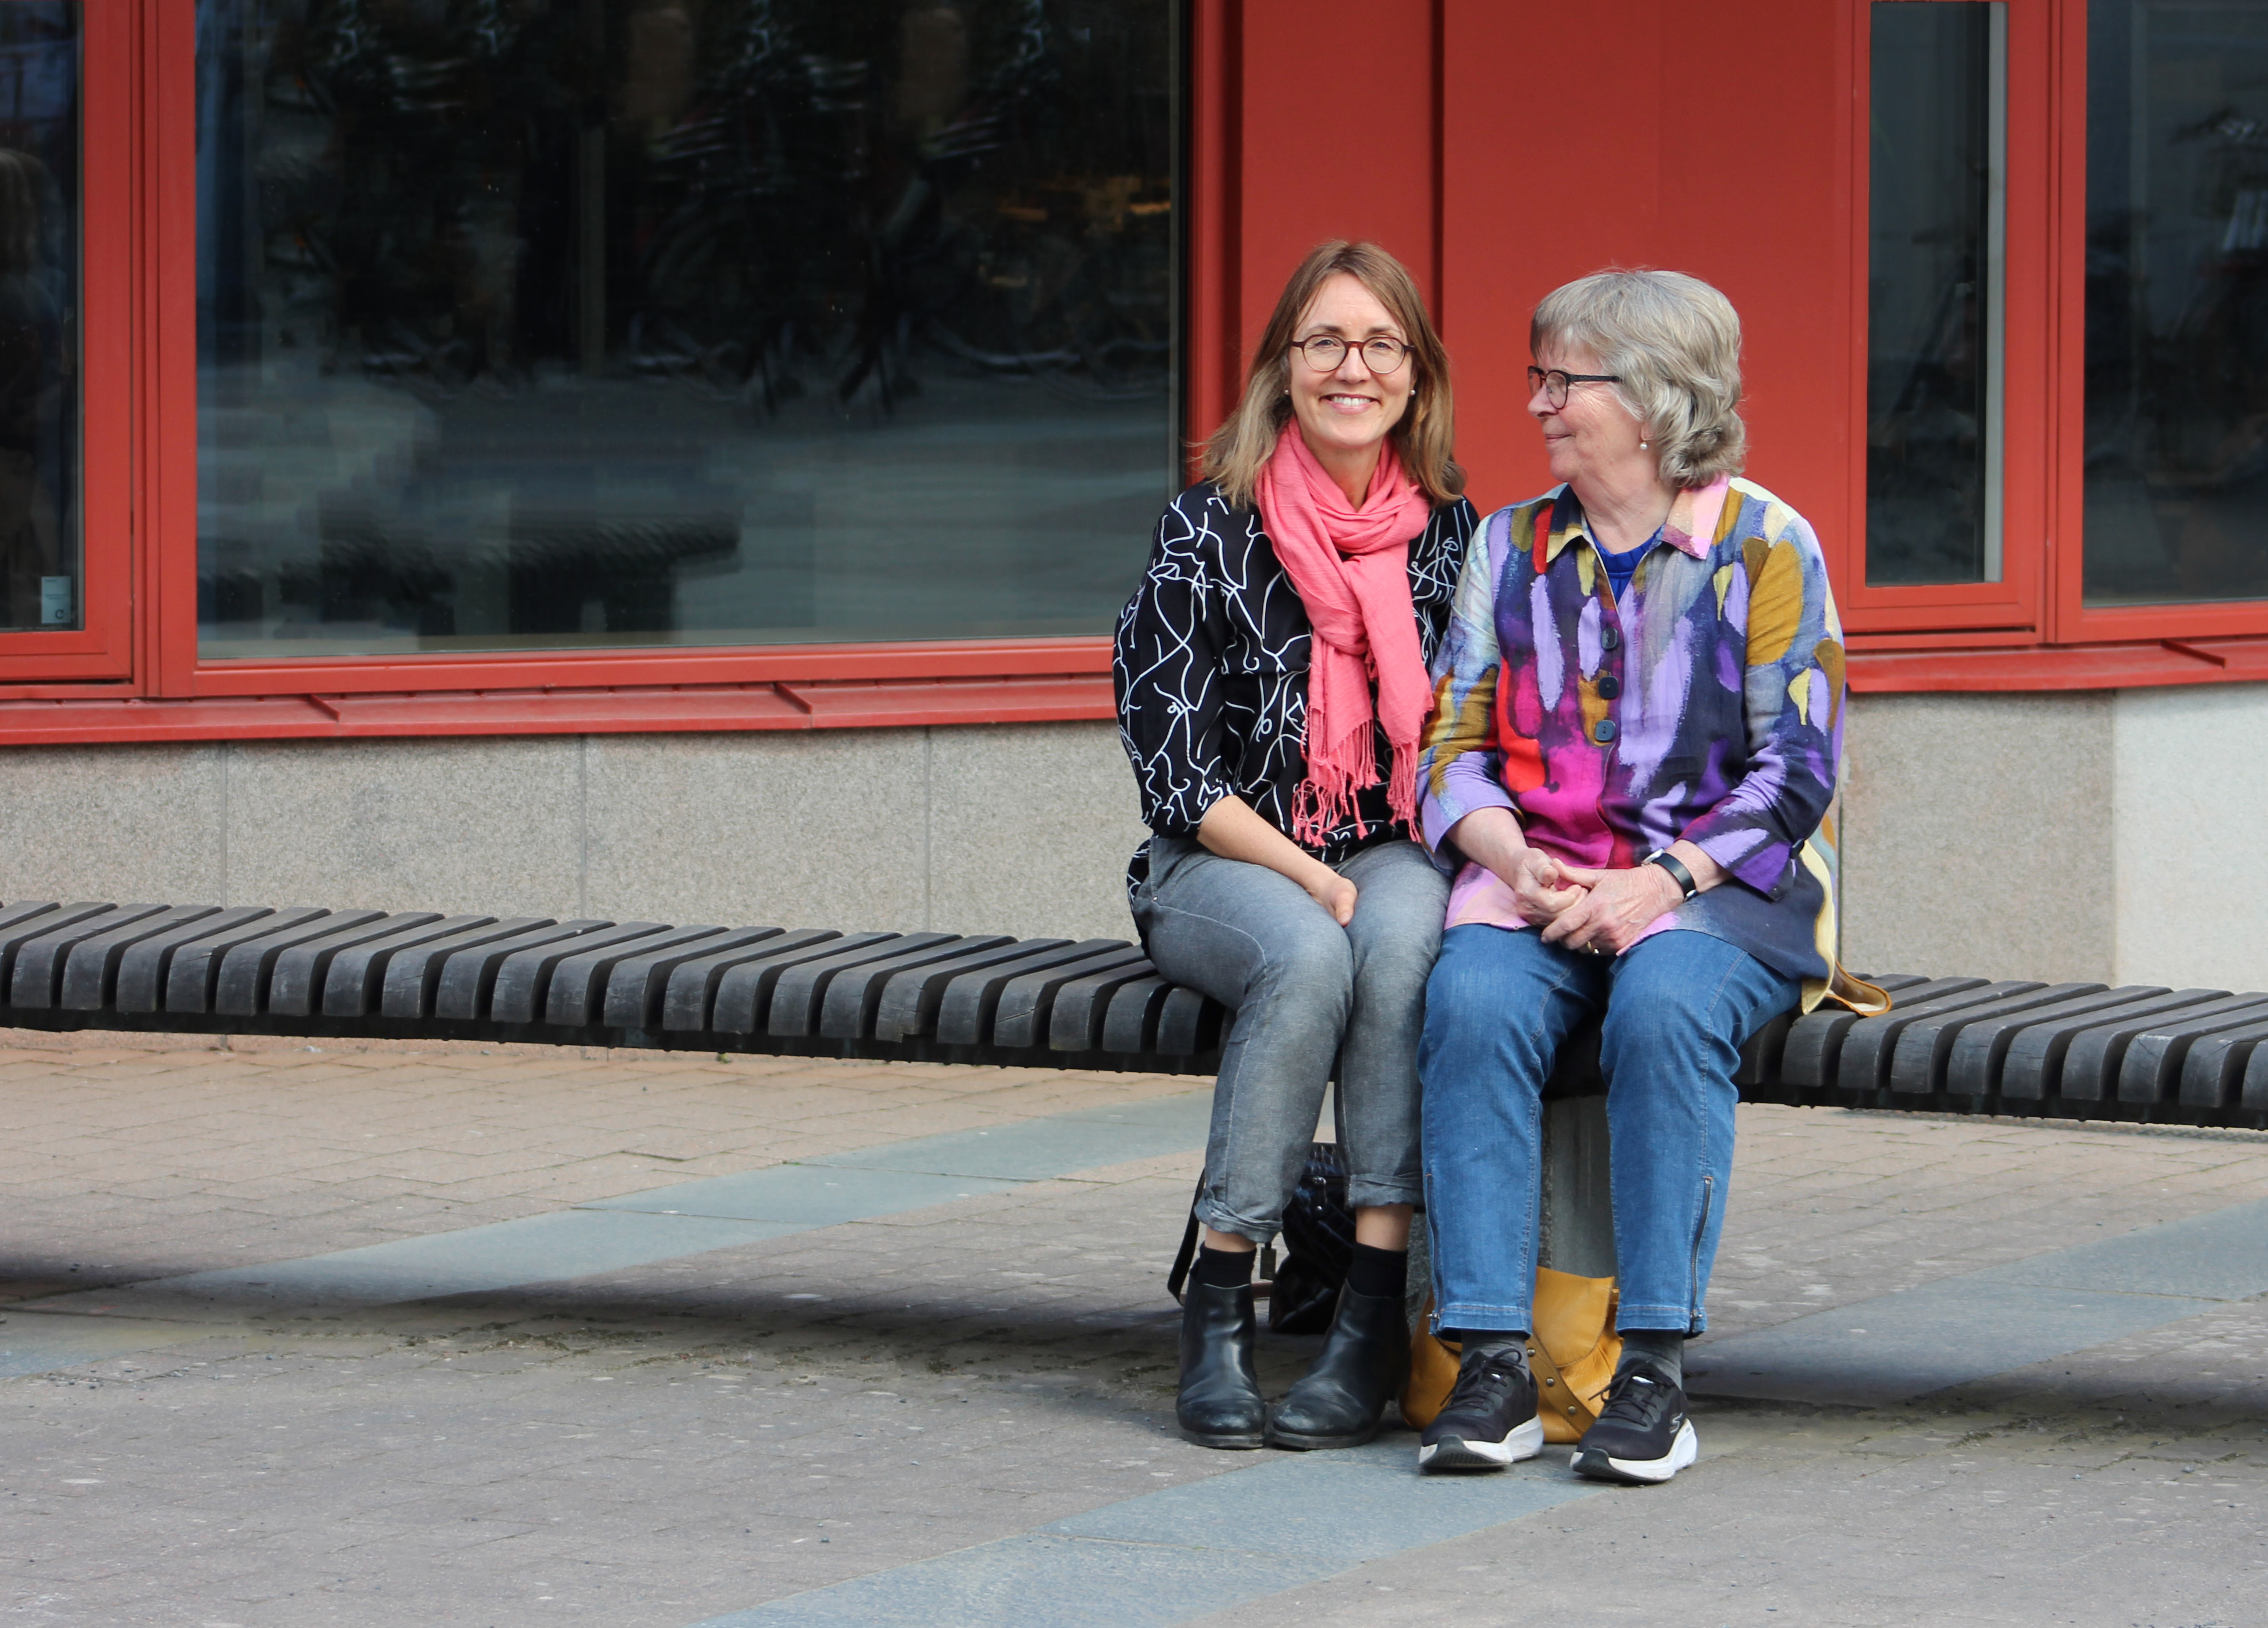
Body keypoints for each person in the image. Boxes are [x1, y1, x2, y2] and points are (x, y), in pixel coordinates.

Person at [1413, 269, 1860, 1484]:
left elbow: (1799, 769)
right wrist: (1508, 854)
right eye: (1539, 376)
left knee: (1663, 1010)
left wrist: (1657, 883)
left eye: (1568, 380)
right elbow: (1446, 749)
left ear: (1662, 400)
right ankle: (1492, 1364)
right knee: (1470, 1003)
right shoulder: (1509, 547)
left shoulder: (1765, 545)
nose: (1542, 404)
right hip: (1541, 875)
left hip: (1721, 886)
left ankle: (1652, 1371)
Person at [1114, 240, 1476, 1451]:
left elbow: (1471, 731)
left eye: (1380, 344)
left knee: (1400, 945)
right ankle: (1221, 1295)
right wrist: (1312, 875)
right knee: (1312, 956)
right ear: (1282, 368)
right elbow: (1174, 772)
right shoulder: (1203, 531)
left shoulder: (1449, 538)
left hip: (1386, 843)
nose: (1351, 367)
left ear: (1415, 380)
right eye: (1323, 340)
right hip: (1217, 862)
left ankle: (1369, 1317)